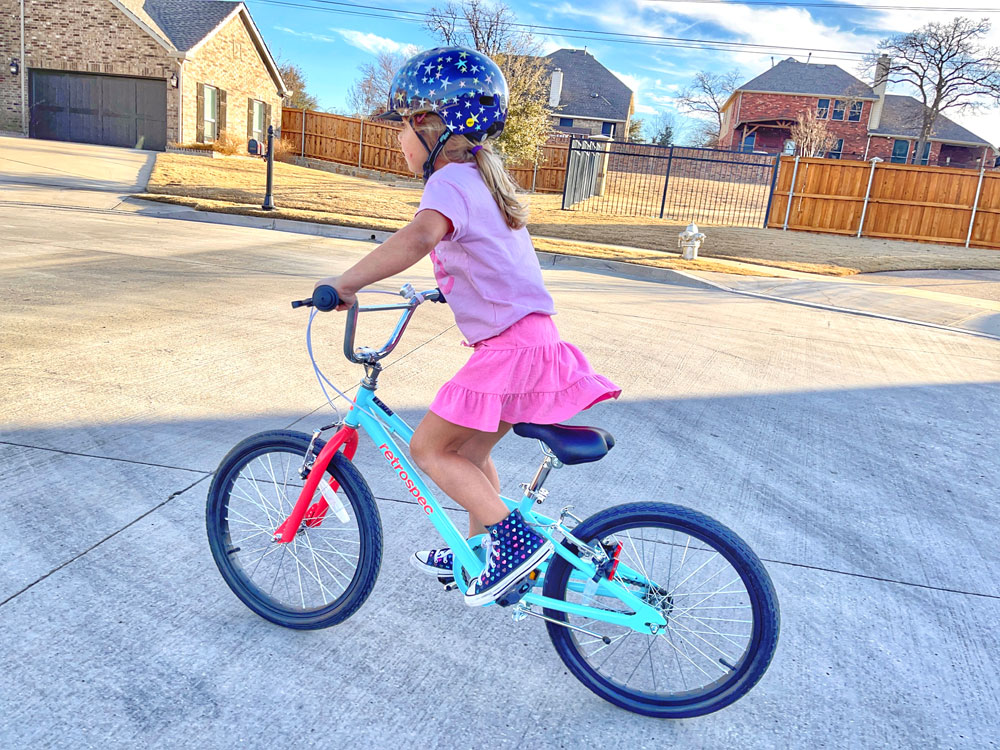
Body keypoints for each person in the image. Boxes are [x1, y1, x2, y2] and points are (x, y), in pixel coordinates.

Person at [314, 46, 620, 606]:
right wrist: (445, 288)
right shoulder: (482, 180)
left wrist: (347, 284)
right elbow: (489, 262)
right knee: (471, 457)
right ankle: (478, 552)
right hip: (537, 344)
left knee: (430, 449)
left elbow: (419, 238)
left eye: (402, 128)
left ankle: (513, 542)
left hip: (509, 352)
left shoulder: (448, 181)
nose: (398, 141)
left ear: (432, 125)